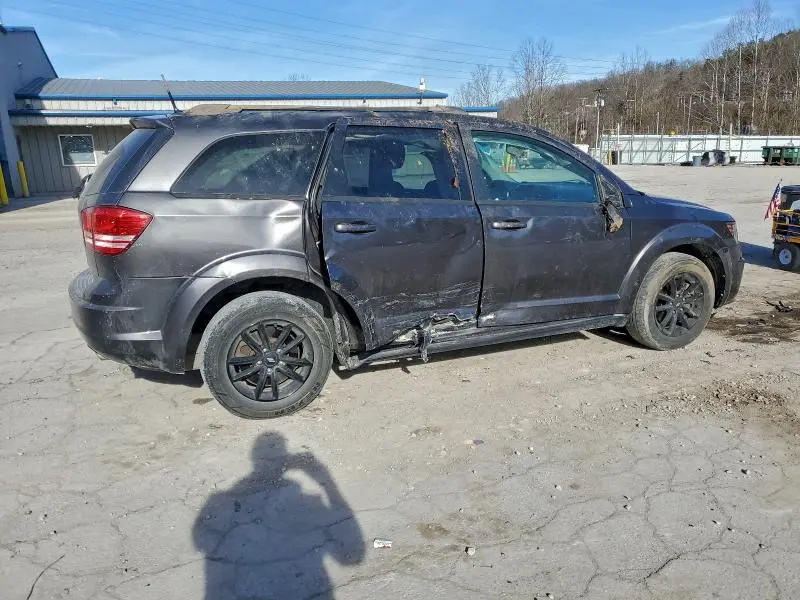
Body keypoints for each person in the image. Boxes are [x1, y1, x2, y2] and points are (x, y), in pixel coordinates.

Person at [193, 432, 364, 599]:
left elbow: (203, 540)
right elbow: (353, 554)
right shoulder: (306, 506)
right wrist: (326, 480)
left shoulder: (220, 503)